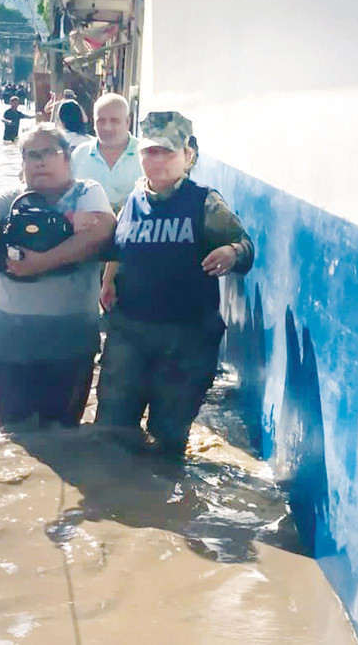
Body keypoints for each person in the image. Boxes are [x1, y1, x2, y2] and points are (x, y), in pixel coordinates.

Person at [97, 112, 254, 457]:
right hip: (130, 333)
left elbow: (246, 247)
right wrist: (108, 281)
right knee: (111, 430)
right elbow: (117, 249)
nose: (157, 160)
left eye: (167, 152)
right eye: (149, 152)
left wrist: (231, 252)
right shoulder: (133, 199)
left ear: (188, 155)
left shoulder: (205, 202)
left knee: (168, 440)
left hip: (185, 339)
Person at [0, 124, 115, 429]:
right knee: (12, 431)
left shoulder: (87, 193)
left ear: (66, 157)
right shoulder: (12, 198)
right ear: (23, 162)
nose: (40, 162)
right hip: (10, 337)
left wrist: (42, 263)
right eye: (32, 155)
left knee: (61, 431)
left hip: (69, 338)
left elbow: (102, 232)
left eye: (49, 153)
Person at [71, 93, 143, 213]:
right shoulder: (80, 155)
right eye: (101, 121)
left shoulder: (144, 154)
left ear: (127, 122)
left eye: (114, 121)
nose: (107, 127)